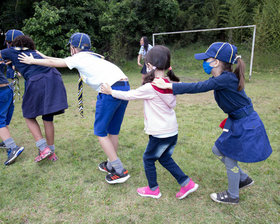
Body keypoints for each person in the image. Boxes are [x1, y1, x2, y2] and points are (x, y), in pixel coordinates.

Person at [152, 42, 273, 204]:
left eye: (206, 59)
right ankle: (243, 179)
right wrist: (172, 85)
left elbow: (199, 87)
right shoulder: (221, 79)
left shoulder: (226, 79)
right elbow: (201, 84)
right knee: (218, 149)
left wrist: (169, 86)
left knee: (229, 157)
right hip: (238, 120)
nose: (204, 63)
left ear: (216, 62)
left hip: (245, 123)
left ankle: (233, 195)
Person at [18, 32, 131, 184]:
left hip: (109, 91)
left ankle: (118, 170)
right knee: (113, 130)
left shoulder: (79, 57)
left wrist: (32, 61)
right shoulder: (92, 56)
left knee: (100, 132)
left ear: (73, 48)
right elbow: (58, 60)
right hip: (124, 86)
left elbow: (55, 63)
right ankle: (111, 164)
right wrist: (40, 55)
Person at [102, 45, 199, 199]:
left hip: (160, 133)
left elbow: (130, 95)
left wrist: (111, 91)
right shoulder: (169, 83)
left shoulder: (151, 87)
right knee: (165, 158)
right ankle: (186, 183)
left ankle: (153, 189)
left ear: (149, 66)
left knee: (148, 159)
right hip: (172, 131)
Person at [0, 35, 68, 162]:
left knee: (28, 115)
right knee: (48, 117)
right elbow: (23, 70)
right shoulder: (33, 53)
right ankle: (51, 152)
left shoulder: (12, 50)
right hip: (55, 78)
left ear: (13, 44)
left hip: (38, 80)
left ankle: (43, 148)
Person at [0, 59, 24, 165]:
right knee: (3, 120)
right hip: (8, 90)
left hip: (2, 92)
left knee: (0, 121)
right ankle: (6, 142)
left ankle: (12, 147)